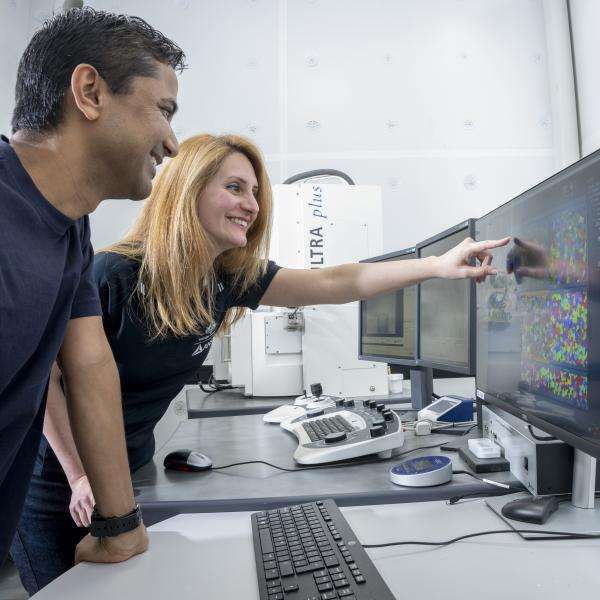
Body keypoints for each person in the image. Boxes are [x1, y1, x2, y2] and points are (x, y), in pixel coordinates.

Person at [11, 131, 510, 592]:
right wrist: (78, 473)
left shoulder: (227, 279)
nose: (250, 205)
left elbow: (337, 283)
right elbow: (46, 383)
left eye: (254, 192)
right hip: (56, 480)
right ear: (189, 191)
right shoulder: (115, 275)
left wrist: (439, 267)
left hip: (128, 468)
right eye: (235, 187)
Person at [0, 7, 186, 572]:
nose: (173, 143)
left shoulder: (71, 225)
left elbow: (89, 365)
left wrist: (120, 524)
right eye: (163, 110)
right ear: (89, 92)